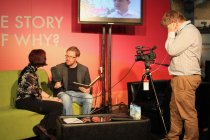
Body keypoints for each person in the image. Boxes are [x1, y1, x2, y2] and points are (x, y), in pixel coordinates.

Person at [161, 10, 202, 140]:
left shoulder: (189, 31)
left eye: (169, 26)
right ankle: (173, 137)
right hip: (180, 78)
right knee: (175, 110)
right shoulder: (184, 32)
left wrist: (171, 33)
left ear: (174, 22)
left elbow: (171, 50)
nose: (169, 29)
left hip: (185, 78)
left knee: (187, 114)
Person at [15, 49, 63, 140]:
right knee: (58, 106)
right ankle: (42, 128)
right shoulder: (28, 73)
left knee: (58, 104)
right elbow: (36, 94)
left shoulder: (32, 70)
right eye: (44, 57)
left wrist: (51, 97)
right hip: (24, 101)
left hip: (30, 99)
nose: (46, 59)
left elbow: (39, 90)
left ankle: (46, 129)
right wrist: (52, 100)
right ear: (40, 59)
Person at [51, 46, 93, 115]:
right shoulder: (59, 67)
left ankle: (85, 120)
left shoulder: (84, 69)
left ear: (76, 57)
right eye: (67, 56)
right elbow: (52, 84)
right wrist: (55, 86)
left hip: (77, 94)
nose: (67, 58)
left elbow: (88, 85)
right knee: (66, 97)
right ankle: (69, 121)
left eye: (70, 57)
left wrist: (87, 90)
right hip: (64, 93)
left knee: (89, 97)